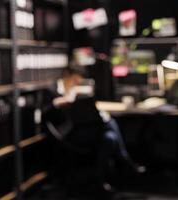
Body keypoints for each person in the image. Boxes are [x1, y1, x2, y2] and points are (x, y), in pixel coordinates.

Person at [45, 64, 145, 198]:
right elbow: (49, 107)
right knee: (110, 123)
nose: (76, 83)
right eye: (75, 80)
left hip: (84, 129)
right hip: (68, 134)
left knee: (109, 138)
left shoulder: (75, 91)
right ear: (67, 76)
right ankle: (124, 160)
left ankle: (100, 180)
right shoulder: (53, 89)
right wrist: (67, 99)